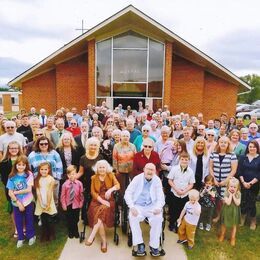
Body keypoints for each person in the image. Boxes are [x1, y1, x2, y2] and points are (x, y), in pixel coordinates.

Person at [124, 163, 165, 257]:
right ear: (144, 169)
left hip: (152, 206)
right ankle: (140, 244)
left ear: (155, 171)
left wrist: (158, 208)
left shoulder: (157, 180)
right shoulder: (137, 179)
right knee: (132, 217)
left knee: (158, 218)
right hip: (138, 205)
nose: (150, 171)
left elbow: (160, 197)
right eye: (148, 169)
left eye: (152, 170)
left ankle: (154, 246)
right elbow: (128, 193)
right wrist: (132, 207)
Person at [85, 160, 120, 253]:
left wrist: (110, 190)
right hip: (97, 200)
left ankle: (93, 235)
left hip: (109, 200)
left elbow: (118, 185)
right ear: (97, 168)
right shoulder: (93, 177)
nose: (101, 169)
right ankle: (104, 242)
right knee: (98, 212)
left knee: (102, 212)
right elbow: (93, 192)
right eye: (100, 167)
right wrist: (102, 200)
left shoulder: (111, 175)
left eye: (103, 167)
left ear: (106, 168)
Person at [6, 155, 36, 248]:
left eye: (23, 165)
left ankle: (31, 236)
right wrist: (18, 203)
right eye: (19, 164)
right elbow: (10, 192)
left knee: (29, 219)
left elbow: (28, 189)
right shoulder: (12, 176)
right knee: (18, 220)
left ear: (26, 165)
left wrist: (16, 192)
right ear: (16, 165)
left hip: (28, 201)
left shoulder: (28, 174)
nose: (21, 166)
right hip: (16, 202)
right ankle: (20, 238)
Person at [209, 136, 237, 223]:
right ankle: (218, 215)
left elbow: (234, 170)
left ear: (228, 144)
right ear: (218, 143)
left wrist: (226, 181)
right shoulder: (214, 154)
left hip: (226, 182)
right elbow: (210, 167)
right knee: (216, 200)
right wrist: (214, 180)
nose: (223, 144)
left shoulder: (232, 155)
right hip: (215, 181)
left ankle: (225, 216)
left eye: (225, 142)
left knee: (224, 200)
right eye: (221, 142)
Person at [28, 136, 63, 206]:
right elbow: (29, 170)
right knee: (41, 200)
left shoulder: (54, 153)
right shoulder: (32, 155)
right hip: (39, 182)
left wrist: (57, 179)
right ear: (38, 144)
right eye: (41, 144)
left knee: (54, 200)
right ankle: (41, 215)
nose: (44, 145)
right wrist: (33, 182)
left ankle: (54, 214)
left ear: (48, 144)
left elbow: (59, 166)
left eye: (46, 143)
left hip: (52, 181)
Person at [0, 141, 23, 237]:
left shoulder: (23, 160)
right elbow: (4, 178)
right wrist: (12, 189)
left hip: (23, 189)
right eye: (11, 148)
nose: (14, 150)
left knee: (23, 207)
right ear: (8, 150)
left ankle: (24, 227)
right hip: (11, 189)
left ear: (19, 149)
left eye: (16, 148)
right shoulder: (4, 162)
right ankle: (17, 228)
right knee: (13, 209)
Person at [167, 152, 195, 232]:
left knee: (181, 210)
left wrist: (184, 191)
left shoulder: (190, 171)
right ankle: (171, 223)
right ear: (179, 160)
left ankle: (178, 224)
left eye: (186, 160)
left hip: (184, 194)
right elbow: (170, 180)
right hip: (175, 193)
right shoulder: (174, 169)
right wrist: (176, 189)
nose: (184, 161)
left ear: (189, 161)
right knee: (173, 209)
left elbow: (191, 184)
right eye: (182, 159)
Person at [237, 140, 260, 230]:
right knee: (243, 201)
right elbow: (239, 171)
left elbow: (259, 174)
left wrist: (250, 183)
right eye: (250, 146)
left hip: (254, 185)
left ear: (257, 148)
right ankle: (242, 218)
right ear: (248, 148)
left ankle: (253, 221)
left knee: (252, 202)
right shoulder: (243, 158)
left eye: (254, 147)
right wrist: (243, 182)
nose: (252, 148)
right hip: (243, 183)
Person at [34, 162, 57, 242]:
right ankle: (44, 234)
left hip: (48, 201)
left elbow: (49, 192)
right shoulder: (37, 179)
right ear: (39, 170)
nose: (43, 171)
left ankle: (51, 234)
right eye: (42, 169)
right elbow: (38, 192)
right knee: (43, 218)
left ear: (49, 170)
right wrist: (40, 203)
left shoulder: (51, 179)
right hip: (40, 201)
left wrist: (47, 204)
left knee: (49, 219)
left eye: (45, 169)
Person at [113, 130, 136, 204]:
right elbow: (114, 159)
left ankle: (131, 202)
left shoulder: (132, 146)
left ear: (129, 137)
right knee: (121, 188)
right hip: (120, 170)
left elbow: (136, 158)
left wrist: (135, 170)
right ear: (121, 137)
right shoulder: (116, 146)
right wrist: (116, 170)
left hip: (131, 169)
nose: (125, 138)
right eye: (123, 136)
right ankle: (121, 204)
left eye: (127, 136)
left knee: (132, 187)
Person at [61, 165, 84, 239]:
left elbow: (81, 194)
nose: (72, 176)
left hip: (76, 204)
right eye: (70, 174)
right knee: (69, 219)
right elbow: (63, 196)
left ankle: (75, 231)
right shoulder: (65, 185)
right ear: (67, 175)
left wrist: (81, 203)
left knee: (76, 218)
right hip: (68, 204)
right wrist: (64, 205)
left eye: (73, 174)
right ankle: (71, 231)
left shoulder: (79, 184)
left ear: (76, 174)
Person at [218, 177, 241, 246]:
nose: (232, 188)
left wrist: (233, 195)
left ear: (237, 188)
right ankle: (222, 235)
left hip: (234, 211)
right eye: (231, 186)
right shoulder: (226, 192)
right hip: (226, 210)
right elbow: (228, 202)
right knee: (224, 224)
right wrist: (230, 195)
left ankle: (233, 238)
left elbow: (237, 203)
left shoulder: (238, 193)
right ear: (228, 186)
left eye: (234, 187)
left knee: (234, 225)